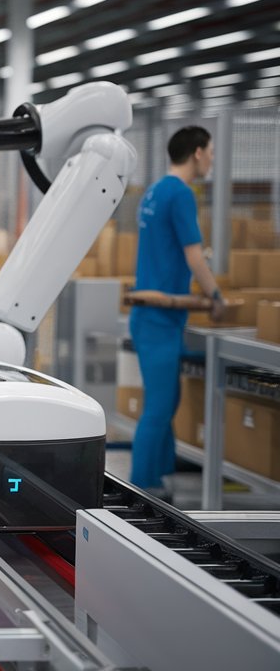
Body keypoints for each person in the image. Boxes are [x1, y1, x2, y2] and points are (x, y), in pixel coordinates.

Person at [130, 126, 225, 497]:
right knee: (159, 406)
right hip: (159, 317)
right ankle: (137, 492)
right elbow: (193, 254)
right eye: (211, 151)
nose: (212, 159)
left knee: (167, 400)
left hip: (154, 315)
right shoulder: (182, 194)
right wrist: (215, 295)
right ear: (198, 152)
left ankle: (158, 483)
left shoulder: (154, 191)